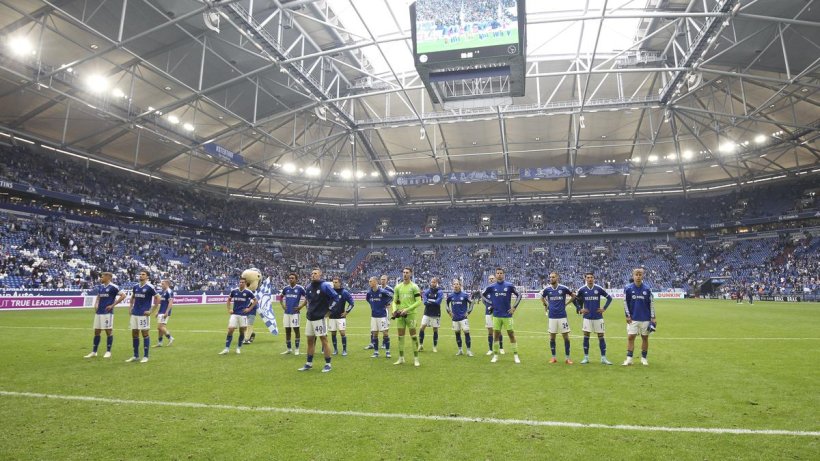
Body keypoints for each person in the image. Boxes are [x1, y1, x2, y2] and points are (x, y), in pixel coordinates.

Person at [298, 268, 341, 373]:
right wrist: (307, 309)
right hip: (310, 318)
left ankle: (328, 364)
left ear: (320, 275)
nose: (313, 275)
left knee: (324, 340)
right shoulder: (308, 286)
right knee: (309, 341)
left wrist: (330, 310)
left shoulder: (324, 286)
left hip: (319, 318)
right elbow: (307, 300)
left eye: (315, 273)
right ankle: (309, 363)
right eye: (312, 273)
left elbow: (336, 297)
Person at [482, 268, 521, 364]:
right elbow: (482, 295)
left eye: (501, 273)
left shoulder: (509, 285)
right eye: (497, 273)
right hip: (496, 315)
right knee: (496, 335)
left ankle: (516, 355)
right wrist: (490, 303)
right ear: (495, 275)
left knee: (511, 334)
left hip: (507, 315)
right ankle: (495, 355)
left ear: (503, 274)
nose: (499, 275)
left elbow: (519, 295)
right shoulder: (491, 287)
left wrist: (514, 307)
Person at [84, 271, 126, 359]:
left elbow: (123, 295)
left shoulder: (114, 287)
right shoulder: (101, 287)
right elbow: (99, 297)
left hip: (108, 313)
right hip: (99, 312)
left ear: (108, 277)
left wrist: (112, 305)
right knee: (97, 331)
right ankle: (94, 352)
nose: (100, 278)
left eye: (102, 277)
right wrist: (96, 304)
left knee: (108, 331)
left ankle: (108, 351)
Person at [575, 272, 613, 365]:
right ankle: (586, 357)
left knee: (601, 337)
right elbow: (574, 300)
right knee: (586, 337)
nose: (590, 279)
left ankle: (603, 358)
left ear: (594, 278)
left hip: (598, 317)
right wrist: (580, 309)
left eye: (591, 277)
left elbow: (609, 298)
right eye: (588, 277)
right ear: (585, 279)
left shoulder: (598, 289)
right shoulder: (582, 289)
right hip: (587, 317)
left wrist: (604, 308)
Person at [541, 271, 576, 364]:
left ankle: (567, 358)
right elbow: (542, 297)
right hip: (552, 316)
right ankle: (553, 357)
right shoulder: (547, 289)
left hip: (562, 316)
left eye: (553, 277)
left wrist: (567, 303)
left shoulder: (563, 288)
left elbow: (573, 296)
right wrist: (546, 304)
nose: (551, 279)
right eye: (550, 277)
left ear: (557, 278)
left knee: (566, 337)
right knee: (552, 337)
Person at [623, 268, 656, 366]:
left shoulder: (647, 289)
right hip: (633, 318)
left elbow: (651, 304)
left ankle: (644, 358)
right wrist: (627, 315)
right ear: (633, 276)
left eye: (640, 274)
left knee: (645, 337)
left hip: (645, 318)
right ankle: (629, 358)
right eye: (636, 274)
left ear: (643, 276)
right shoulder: (628, 288)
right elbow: (625, 303)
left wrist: (653, 317)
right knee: (630, 337)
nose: (638, 276)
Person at [127, 270, 160, 363]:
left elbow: (158, 298)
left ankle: (146, 356)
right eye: (140, 274)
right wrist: (130, 307)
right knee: (134, 333)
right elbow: (133, 297)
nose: (141, 275)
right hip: (135, 313)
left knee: (145, 333)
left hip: (143, 314)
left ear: (147, 277)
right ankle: (135, 356)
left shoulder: (150, 287)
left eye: (143, 274)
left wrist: (151, 311)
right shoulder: (135, 286)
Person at [391, 267, 422, 367]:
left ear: (411, 274)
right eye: (403, 272)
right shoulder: (398, 287)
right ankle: (401, 358)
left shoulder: (414, 287)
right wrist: (394, 310)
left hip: (411, 315)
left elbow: (419, 301)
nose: (405, 274)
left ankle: (416, 359)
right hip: (400, 315)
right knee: (400, 337)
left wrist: (407, 310)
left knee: (413, 337)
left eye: (407, 272)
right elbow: (394, 301)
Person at [219, 278, 256, 355]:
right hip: (235, 314)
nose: (241, 283)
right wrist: (229, 309)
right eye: (240, 282)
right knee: (230, 330)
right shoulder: (234, 291)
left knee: (242, 331)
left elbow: (255, 300)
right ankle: (226, 348)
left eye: (242, 282)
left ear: (245, 283)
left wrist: (249, 309)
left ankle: (238, 348)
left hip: (243, 315)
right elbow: (229, 300)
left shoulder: (248, 292)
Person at [279, 273, 306, 355]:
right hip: (286, 313)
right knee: (287, 331)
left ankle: (297, 349)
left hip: (295, 313)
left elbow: (307, 298)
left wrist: (301, 306)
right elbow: (280, 297)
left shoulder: (300, 288)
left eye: (292, 278)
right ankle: (289, 349)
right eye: (289, 278)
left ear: (296, 279)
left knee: (296, 330)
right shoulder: (286, 288)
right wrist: (283, 305)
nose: (290, 279)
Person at [366, 274, 395, 350]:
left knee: (385, 327)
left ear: (387, 280)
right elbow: (369, 298)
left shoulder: (389, 289)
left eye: (384, 279)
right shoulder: (376, 288)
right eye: (381, 279)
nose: (382, 281)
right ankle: (372, 343)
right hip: (376, 310)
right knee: (373, 328)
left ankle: (384, 343)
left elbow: (393, 297)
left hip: (384, 310)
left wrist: (388, 303)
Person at [446, 279, 473, 357]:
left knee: (466, 333)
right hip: (455, 318)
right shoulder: (450, 296)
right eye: (454, 284)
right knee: (457, 333)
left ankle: (468, 351)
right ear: (452, 286)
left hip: (463, 318)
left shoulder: (465, 295)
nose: (456, 285)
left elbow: (471, 303)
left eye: (457, 284)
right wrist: (449, 312)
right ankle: (460, 350)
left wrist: (468, 312)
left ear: (460, 285)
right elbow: (446, 304)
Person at [328, 276, 355, 356]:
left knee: (342, 333)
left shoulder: (344, 292)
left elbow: (351, 303)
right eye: (333, 282)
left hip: (340, 317)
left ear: (340, 283)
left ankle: (344, 350)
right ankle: (335, 350)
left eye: (336, 282)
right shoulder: (330, 292)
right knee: (333, 333)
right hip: (332, 316)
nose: (334, 283)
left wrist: (346, 312)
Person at [418, 277, 443, 352]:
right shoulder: (426, 291)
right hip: (427, 313)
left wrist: (430, 301)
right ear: (430, 283)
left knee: (435, 329)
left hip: (436, 313)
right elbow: (425, 302)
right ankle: (421, 345)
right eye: (432, 282)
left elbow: (438, 302)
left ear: (437, 283)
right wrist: (433, 301)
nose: (433, 283)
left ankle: (434, 347)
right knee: (422, 327)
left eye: (434, 282)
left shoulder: (440, 291)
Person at [481, 275, 502, 355]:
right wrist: (488, 305)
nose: (491, 280)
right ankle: (490, 349)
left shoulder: (499, 288)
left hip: (498, 312)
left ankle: (501, 348)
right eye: (490, 279)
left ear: (495, 279)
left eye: (492, 278)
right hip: (488, 312)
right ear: (488, 280)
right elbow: (483, 300)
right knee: (490, 331)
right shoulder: (486, 289)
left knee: (498, 330)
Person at [154, 279, 175, 347]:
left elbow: (171, 302)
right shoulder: (163, 292)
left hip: (164, 312)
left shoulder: (169, 291)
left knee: (160, 327)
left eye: (163, 284)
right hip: (161, 311)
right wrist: (158, 311)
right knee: (160, 328)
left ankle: (170, 338)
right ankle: (160, 343)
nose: (161, 285)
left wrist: (167, 312)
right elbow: (162, 303)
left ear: (167, 284)